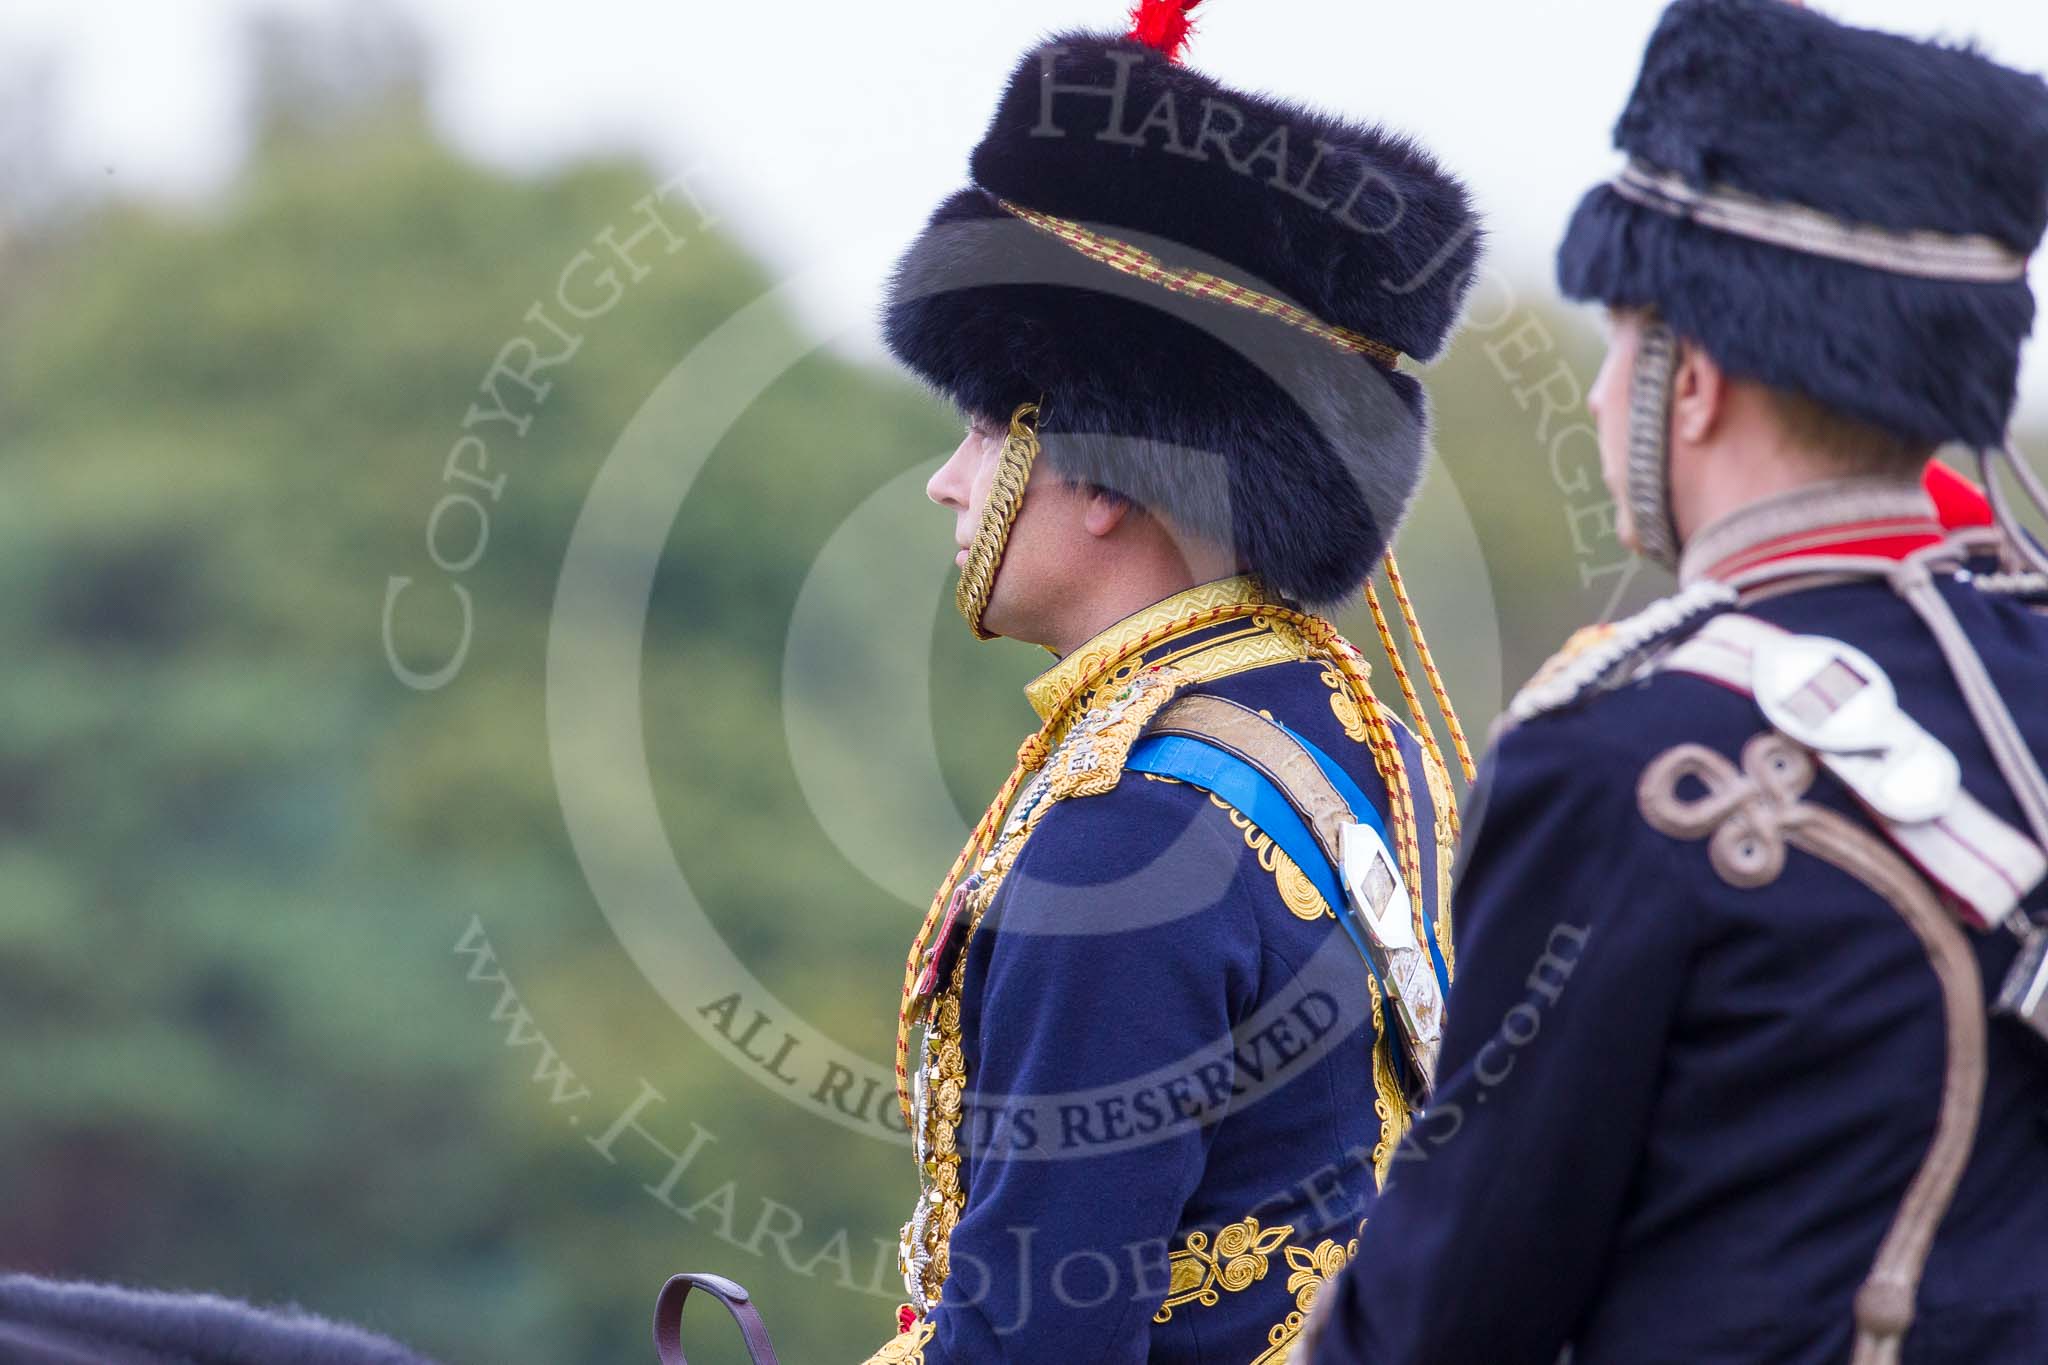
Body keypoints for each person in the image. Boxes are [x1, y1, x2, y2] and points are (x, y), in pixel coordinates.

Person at [1307, 1, 2048, 1361]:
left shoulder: (1623, 761)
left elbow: (1442, 1317)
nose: (1599, 400)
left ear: (1689, 383)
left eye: (1622, 345)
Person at [862, 2, 1483, 1360]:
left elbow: (1034, 1344)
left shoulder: (1124, 842)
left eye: (982, 425)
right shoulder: (1348, 727)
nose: (948, 482)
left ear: (1098, 470)